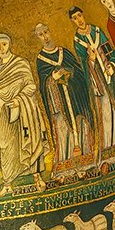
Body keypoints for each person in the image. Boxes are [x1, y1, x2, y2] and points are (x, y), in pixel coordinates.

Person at [0, 32, 49, 186]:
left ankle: (37, 179)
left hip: (22, 111)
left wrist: (18, 99)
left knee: (28, 140)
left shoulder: (20, 63)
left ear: (9, 44)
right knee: (6, 147)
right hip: (2, 114)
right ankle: (7, 184)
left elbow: (31, 86)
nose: (1, 48)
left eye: (4, 44)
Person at [69, 5, 115, 148]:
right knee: (106, 112)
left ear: (83, 15)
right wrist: (91, 60)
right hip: (98, 83)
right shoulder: (77, 41)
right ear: (72, 21)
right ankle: (112, 148)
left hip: (111, 75)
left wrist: (113, 66)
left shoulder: (97, 31)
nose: (79, 20)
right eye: (75, 18)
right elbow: (83, 65)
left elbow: (110, 52)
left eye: (79, 15)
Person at [32, 22, 94, 163]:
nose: (45, 37)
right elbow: (43, 86)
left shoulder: (64, 52)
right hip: (58, 103)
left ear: (50, 32)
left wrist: (69, 73)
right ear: (38, 38)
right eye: (41, 35)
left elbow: (79, 72)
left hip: (74, 97)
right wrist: (52, 78)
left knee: (80, 124)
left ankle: (87, 155)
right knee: (63, 129)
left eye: (46, 32)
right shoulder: (41, 60)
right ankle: (65, 160)